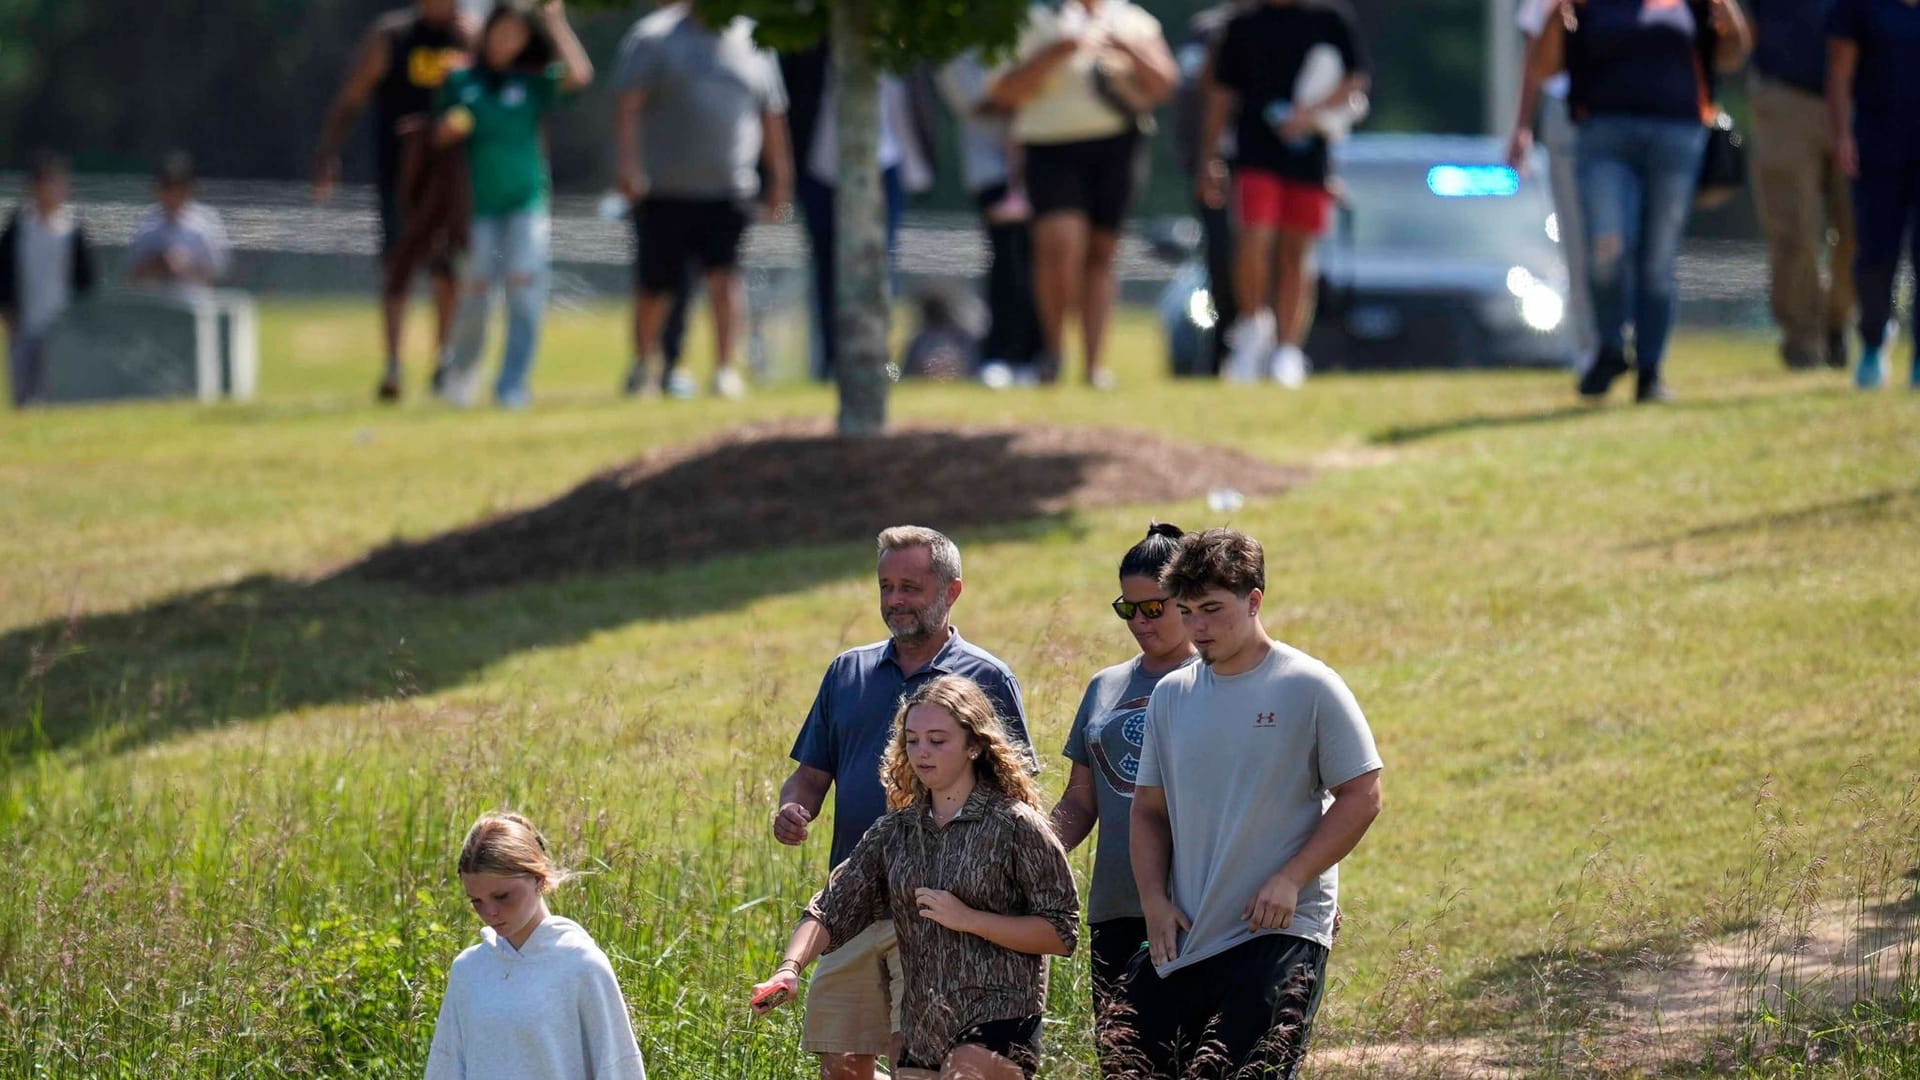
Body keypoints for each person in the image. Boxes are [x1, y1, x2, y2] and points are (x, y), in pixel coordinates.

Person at [773, 525, 1035, 1080]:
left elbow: (1017, 795)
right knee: (842, 1062)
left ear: (952, 590)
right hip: (854, 903)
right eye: (886, 586)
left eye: (911, 587)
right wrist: (793, 810)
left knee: (911, 1060)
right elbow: (809, 776)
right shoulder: (848, 672)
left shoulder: (987, 677)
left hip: (940, 913)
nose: (895, 600)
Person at [1120, 528, 1383, 1079]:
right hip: (1190, 934)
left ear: (1255, 600)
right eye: (1188, 611)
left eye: (1213, 609)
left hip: (1280, 934)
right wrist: (1153, 902)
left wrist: (1292, 877)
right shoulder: (1172, 696)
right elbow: (1147, 811)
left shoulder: (1309, 685)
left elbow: (1362, 795)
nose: (1198, 628)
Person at [754, 675, 1078, 1080]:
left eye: (937, 741)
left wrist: (970, 919)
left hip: (1000, 1016)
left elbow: (1061, 932)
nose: (922, 752)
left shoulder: (1015, 825)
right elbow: (830, 908)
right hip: (922, 1027)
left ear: (974, 746)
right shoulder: (895, 831)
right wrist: (789, 968)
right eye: (912, 740)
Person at [1515, 0, 1752, 404]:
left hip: (1677, 138)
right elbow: (1543, 67)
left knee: (1658, 259)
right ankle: (1609, 345)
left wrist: (1730, 18)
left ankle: (1650, 369)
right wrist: (1557, 17)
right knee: (1607, 247)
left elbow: (1730, 57)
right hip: (1603, 137)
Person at [1047, 523, 1198, 1072]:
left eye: (1154, 608)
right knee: (1126, 1064)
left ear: (1188, 597)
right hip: (1116, 905)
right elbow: (1080, 802)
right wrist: (1032, 851)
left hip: (1201, 903)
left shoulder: (1218, 679)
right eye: (1127, 609)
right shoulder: (1104, 686)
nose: (1139, 622)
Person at [989, 0, 1177, 388]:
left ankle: (1094, 366)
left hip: (1119, 147)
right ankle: (1054, 352)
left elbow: (1166, 85)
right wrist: (1060, 50)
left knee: (1101, 254)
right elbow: (1004, 92)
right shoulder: (1034, 20)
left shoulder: (1134, 20)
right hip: (1050, 148)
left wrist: (1127, 48)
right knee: (1059, 247)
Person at [613, 2, 793, 401]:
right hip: (663, 188)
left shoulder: (754, 40)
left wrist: (781, 178)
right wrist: (628, 167)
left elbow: (772, 115)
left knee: (725, 279)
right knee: (655, 286)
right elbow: (628, 106)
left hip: (731, 187)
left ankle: (725, 369)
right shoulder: (652, 37)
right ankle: (644, 365)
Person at [431, 0, 593, 410]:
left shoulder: (533, 83)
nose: (506, 42)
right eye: (500, 32)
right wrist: (448, 129)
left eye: (516, 35)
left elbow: (579, 75)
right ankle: (462, 377)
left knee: (524, 288)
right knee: (475, 293)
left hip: (526, 203)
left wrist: (555, 21)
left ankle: (512, 385)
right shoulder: (461, 78)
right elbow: (434, 134)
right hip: (477, 208)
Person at [1200, 0, 1370, 387]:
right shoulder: (1241, 25)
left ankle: (1287, 349)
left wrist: (1308, 115)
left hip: (1310, 155)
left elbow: (1355, 81)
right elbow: (1221, 96)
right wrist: (1209, 158)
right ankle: (1251, 331)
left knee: (1297, 252)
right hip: (1254, 153)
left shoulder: (1330, 20)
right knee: (1255, 237)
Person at [312, 0, 475, 403]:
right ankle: (394, 365)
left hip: (452, 176)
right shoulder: (391, 37)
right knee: (397, 265)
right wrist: (328, 152)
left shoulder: (469, 35)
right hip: (400, 176)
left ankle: (443, 361)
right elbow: (352, 96)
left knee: (447, 269)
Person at [425, 811, 647, 1079]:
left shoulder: (582, 966)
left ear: (538, 879)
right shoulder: (468, 970)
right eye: (476, 901)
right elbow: (445, 1068)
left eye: (502, 896)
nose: (489, 912)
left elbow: (619, 1068)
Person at [781, 47, 939, 382]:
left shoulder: (900, 42)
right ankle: (830, 365)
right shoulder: (815, 45)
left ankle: (879, 364)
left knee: (881, 269)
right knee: (828, 268)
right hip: (822, 167)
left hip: (886, 165)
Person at [1747, 0, 1856, 371]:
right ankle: (1803, 338)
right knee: (1794, 230)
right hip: (1785, 96)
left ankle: (1838, 319)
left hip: (1862, 99)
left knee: (1861, 230)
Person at [1827, 0, 1920, 390]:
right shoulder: (1861, 6)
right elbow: (1839, 71)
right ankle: (1873, 341)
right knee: (1875, 255)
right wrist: (1842, 134)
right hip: (1877, 147)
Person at [936, 51, 1044, 382]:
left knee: (1039, 265)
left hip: (1041, 170)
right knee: (1007, 263)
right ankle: (1002, 353)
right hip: (992, 172)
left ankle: (1037, 355)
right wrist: (1029, 89)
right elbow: (978, 101)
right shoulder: (959, 49)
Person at [1507, 0, 1600, 363]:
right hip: (1571, 110)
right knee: (1578, 237)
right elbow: (1534, 53)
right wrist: (1522, 125)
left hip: (1634, 108)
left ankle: (1636, 336)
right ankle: (1591, 343)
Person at [1170, 2, 1256, 377]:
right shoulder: (1208, 28)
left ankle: (1266, 350)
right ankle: (1223, 350)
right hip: (1220, 163)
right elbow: (1192, 93)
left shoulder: (1300, 20)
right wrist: (1201, 160)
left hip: (1272, 161)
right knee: (1222, 261)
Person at [1, 152, 96, 408]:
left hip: (61, 324)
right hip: (24, 322)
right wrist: (8, 309)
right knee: (22, 390)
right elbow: (5, 272)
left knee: (55, 392)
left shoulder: (71, 230)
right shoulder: (19, 227)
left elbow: (85, 279)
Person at [126, 153, 231, 292]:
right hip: (153, 303)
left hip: (192, 302)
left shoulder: (206, 222)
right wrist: (157, 263)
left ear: (189, 189)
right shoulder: (147, 223)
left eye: (178, 187)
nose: (173, 193)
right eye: (167, 186)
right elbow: (131, 275)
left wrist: (184, 266)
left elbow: (218, 274)